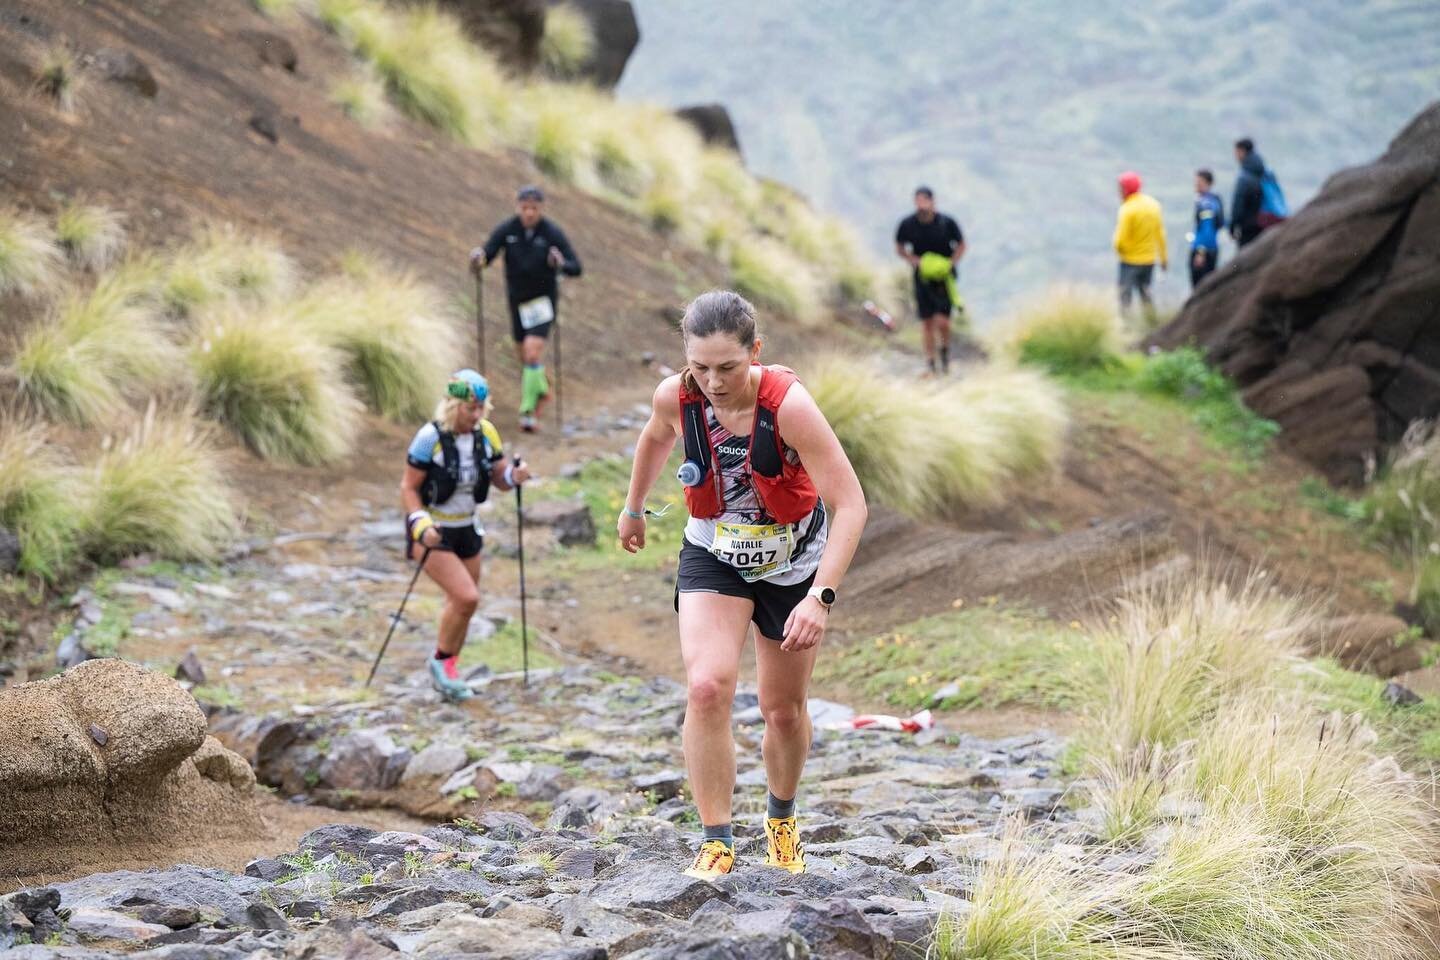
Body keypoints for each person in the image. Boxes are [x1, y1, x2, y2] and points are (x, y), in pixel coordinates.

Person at [617, 290, 867, 880]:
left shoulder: (790, 408)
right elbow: (656, 436)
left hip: (792, 565)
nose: (713, 381)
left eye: (728, 367)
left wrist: (820, 598)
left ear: (755, 352)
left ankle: (780, 818)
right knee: (706, 687)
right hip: (715, 554)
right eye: (700, 367)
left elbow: (850, 503)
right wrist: (633, 507)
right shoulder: (676, 396)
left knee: (783, 711)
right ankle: (716, 840)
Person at [400, 369, 530, 702]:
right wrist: (420, 525)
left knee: (463, 605)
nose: (476, 415)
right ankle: (440, 664)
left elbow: (500, 477)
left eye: (480, 409)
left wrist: (515, 476)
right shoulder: (429, 438)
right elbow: (409, 487)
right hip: (434, 530)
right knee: (466, 597)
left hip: (468, 528)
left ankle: (449, 671)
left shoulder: (486, 434)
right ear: (453, 405)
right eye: (469, 408)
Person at [470, 186, 583, 432]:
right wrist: (479, 259)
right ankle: (541, 390)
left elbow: (576, 266)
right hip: (517, 301)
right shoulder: (508, 229)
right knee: (523, 356)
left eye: (534, 208)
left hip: (542, 303)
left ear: (541, 208)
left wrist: (559, 263)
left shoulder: (552, 233)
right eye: (525, 208)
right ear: (517, 206)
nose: (529, 213)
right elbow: (488, 252)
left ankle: (528, 411)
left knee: (532, 354)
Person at [894, 186, 965, 374]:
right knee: (926, 322)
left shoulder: (947, 223)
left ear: (932, 201)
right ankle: (931, 362)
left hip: (943, 278)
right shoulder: (908, 224)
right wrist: (913, 261)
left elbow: (961, 244)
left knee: (944, 322)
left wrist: (951, 263)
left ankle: (945, 354)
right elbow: (900, 246)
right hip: (922, 278)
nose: (920, 205)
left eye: (924, 200)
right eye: (917, 201)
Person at [1112, 170, 1168, 328]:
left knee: (1125, 295)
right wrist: (1163, 258)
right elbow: (1160, 234)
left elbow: (1120, 240)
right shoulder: (1153, 206)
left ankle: (1126, 328)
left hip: (1129, 261)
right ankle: (1153, 325)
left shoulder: (1128, 209)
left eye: (1121, 188)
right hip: (1149, 260)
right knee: (1145, 293)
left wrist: (1120, 251)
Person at [1230, 138, 1285, 248]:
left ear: (1242, 151)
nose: (1235, 156)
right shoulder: (1266, 172)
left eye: (1236, 152)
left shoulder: (1245, 177)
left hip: (1248, 228)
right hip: (1267, 223)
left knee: (1245, 261)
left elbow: (1238, 205)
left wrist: (1233, 226)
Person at [1190, 168, 1225, 288]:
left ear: (1207, 183)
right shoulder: (1215, 200)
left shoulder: (1206, 204)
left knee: (1199, 287)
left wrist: (1200, 252)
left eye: (1199, 182)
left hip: (1204, 249)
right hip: (1212, 248)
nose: (1196, 185)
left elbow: (1207, 229)